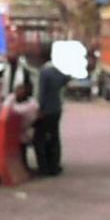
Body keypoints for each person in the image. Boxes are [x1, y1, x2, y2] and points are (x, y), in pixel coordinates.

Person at [0, 80, 38, 188]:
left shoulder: (32, 104)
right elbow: (4, 110)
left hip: (24, 132)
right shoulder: (11, 98)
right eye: (17, 89)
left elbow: (22, 116)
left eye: (22, 90)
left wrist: (9, 111)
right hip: (8, 132)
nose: (18, 92)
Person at [33, 46, 71, 176]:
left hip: (47, 110)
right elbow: (66, 78)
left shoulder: (44, 72)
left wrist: (40, 109)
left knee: (40, 139)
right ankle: (54, 165)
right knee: (54, 137)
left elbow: (42, 93)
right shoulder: (55, 71)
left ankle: (43, 167)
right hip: (56, 108)